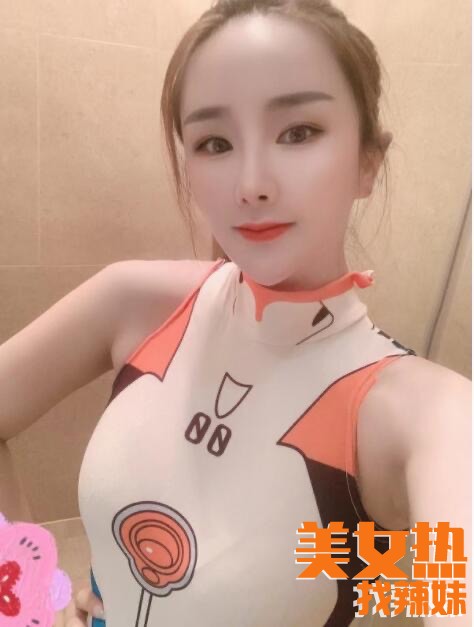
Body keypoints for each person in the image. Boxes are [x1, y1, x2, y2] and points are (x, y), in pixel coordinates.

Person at [0, 1, 468, 626]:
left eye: (298, 132)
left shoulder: (428, 415)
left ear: (367, 163)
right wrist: (28, 602)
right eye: (214, 143)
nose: (251, 184)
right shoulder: (134, 300)